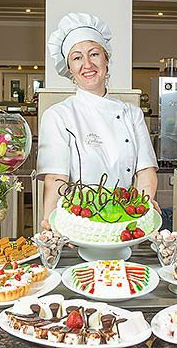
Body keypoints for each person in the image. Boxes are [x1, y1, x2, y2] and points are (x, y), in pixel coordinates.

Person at [37, 12, 158, 230]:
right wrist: (51, 219)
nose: (87, 64)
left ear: (106, 60)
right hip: (77, 223)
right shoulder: (58, 115)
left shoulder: (132, 114)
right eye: (77, 58)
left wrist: (143, 208)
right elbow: (55, 177)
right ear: (69, 68)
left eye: (94, 54)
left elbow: (145, 171)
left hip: (124, 222)